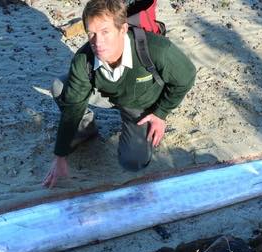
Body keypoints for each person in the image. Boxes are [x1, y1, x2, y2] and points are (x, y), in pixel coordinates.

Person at [43, 0, 196, 188]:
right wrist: (60, 156)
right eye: (91, 33)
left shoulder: (157, 49)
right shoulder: (83, 60)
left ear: (122, 29)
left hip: (140, 104)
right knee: (61, 87)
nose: (97, 42)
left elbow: (186, 77)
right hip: (107, 94)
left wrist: (161, 113)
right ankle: (84, 131)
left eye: (105, 32)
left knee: (133, 162)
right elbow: (73, 107)